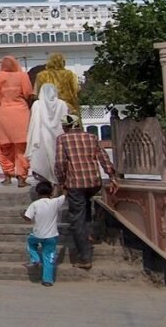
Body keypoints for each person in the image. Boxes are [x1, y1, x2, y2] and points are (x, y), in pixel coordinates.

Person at [54, 114, 118, 270]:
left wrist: (62, 182)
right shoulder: (91, 136)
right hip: (94, 182)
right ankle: (88, 233)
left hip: (76, 183)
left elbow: (60, 163)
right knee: (86, 207)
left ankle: (85, 257)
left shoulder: (63, 139)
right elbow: (103, 157)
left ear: (67, 126)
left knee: (77, 219)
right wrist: (112, 176)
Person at [0, 56, 34, 187]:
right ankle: (22, 178)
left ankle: (7, 176)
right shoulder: (22, 76)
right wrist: (28, 108)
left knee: (4, 147)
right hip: (21, 114)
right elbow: (29, 95)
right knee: (22, 147)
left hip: (3, 113)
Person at [22, 181, 65, 287]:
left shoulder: (35, 204)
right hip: (51, 236)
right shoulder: (55, 202)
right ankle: (47, 280)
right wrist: (61, 187)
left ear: (37, 192)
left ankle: (35, 258)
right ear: (50, 192)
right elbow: (65, 194)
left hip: (37, 234)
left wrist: (22, 214)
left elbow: (28, 218)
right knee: (48, 258)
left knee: (30, 243)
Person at [25, 83, 69, 184]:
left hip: (41, 136)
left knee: (44, 160)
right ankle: (59, 182)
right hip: (59, 135)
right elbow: (65, 119)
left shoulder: (37, 104)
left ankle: (48, 184)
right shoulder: (62, 104)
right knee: (57, 157)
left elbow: (34, 122)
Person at [33, 53, 80, 117]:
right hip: (68, 108)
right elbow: (76, 90)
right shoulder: (69, 74)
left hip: (48, 109)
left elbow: (36, 94)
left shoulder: (41, 75)